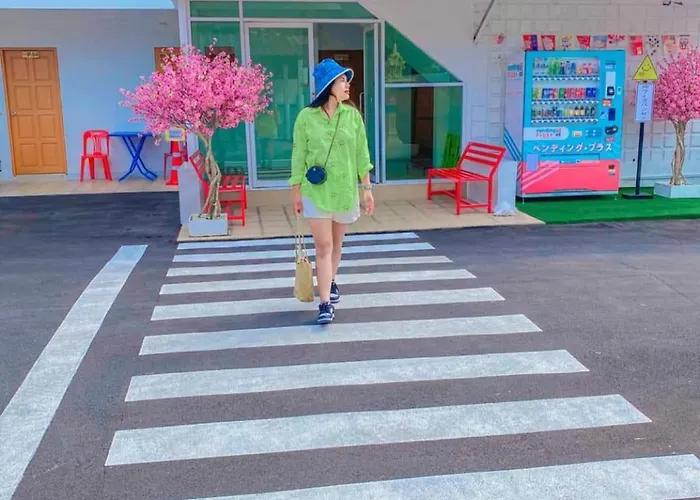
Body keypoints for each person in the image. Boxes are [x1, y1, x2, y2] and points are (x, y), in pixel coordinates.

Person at [289, 58, 374, 324]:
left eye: (347, 81)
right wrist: (295, 191)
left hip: (345, 191)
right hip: (316, 192)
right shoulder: (306, 118)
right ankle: (325, 303)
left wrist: (367, 189)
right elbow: (298, 156)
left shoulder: (353, 116)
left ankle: (331, 279)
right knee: (323, 246)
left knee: (336, 245)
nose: (347, 85)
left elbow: (362, 155)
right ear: (329, 85)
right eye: (342, 81)